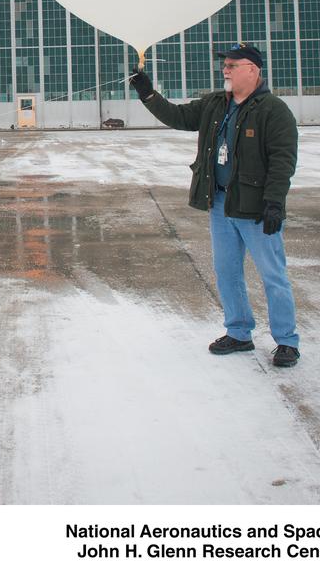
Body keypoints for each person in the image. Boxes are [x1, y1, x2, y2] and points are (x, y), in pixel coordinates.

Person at [129, 43, 301, 368]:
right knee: (227, 273)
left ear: (253, 70)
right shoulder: (214, 104)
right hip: (221, 204)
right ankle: (238, 332)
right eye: (224, 64)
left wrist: (275, 203)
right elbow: (178, 116)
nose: (225, 69)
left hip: (255, 209)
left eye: (232, 64)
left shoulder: (272, 110)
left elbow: (283, 161)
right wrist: (148, 94)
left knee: (273, 275)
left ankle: (287, 341)